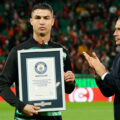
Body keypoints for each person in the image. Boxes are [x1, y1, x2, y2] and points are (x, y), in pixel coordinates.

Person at [0, 3, 75, 120]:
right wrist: (21, 106)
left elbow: (68, 90)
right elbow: (2, 85)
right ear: (31, 21)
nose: (41, 22)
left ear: (53, 21)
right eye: (37, 18)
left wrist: (70, 81)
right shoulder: (18, 51)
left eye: (46, 18)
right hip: (24, 117)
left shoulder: (62, 52)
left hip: (53, 117)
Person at [83, 17, 120, 120]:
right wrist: (98, 74)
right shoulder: (118, 57)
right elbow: (109, 91)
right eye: (115, 29)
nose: (114, 33)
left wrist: (104, 73)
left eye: (119, 29)